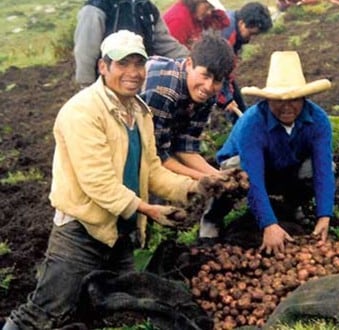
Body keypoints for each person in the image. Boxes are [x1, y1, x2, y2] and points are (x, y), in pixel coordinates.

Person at [2, 30, 234, 330]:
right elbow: (98, 183)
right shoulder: (83, 112)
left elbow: (152, 171)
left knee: (124, 308)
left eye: (139, 65)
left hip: (120, 233)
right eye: (123, 64)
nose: (133, 73)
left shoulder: (139, 112)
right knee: (43, 313)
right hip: (81, 232)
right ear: (103, 67)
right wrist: (150, 210)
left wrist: (195, 186)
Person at [204, 51, 336, 254]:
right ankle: (212, 219)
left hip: (286, 169)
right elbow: (253, 177)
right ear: (267, 100)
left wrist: (324, 215)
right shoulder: (252, 123)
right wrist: (268, 225)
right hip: (248, 169)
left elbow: (323, 170)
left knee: (318, 168)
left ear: (304, 98)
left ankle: (292, 206)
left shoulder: (318, 120)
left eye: (294, 99)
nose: (287, 107)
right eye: (279, 100)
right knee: (234, 173)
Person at [140, 32, 235, 182]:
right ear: (189, 64)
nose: (208, 86)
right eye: (205, 75)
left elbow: (185, 145)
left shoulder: (207, 93)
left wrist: (220, 176)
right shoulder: (165, 91)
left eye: (217, 81)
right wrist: (206, 178)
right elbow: (156, 157)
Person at [74, 0, 190, 87]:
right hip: (106, 85)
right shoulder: (96, 8)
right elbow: (85, 52)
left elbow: (165, 44)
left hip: (139, 82)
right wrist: (87, 88)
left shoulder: (147, 8)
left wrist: (194, 61)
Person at [218, 2, 273, 120]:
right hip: (208, 73)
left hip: (221, 72)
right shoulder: (227, 34)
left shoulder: (236, 26)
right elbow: (217, 71)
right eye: (251, 34)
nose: (250, 39)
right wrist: (226, 99)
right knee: (231, 107)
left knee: (239, 105)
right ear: (242, 23)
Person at [163, 0, 230, 49]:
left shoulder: (197, 14)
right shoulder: (178, 21)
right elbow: (173, 54)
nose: (209, 12)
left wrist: (215, 10)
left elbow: (224, 23)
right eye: (208, 7)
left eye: (212, 8)